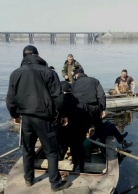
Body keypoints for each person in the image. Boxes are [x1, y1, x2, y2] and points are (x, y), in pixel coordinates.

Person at [6, 45, 71, 192]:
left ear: (23, 57)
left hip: (26, 118)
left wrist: (15, 115)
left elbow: (10, 98)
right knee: (51, 151)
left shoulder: (15, 73)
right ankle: (55, 183)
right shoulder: (48, 72)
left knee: (28, 150)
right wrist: (63, 115)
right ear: (38, 55)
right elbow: (58, 97)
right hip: (45, 118)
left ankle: (29, 179)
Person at [59, 81, 92, 172]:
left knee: (58, 152)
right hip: (78, 133)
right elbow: (89, 119)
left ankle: (55, 168)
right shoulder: (82, 101)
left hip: (63, 133)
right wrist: (84, 130)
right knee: (78, 153)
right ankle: (78, 170)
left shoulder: (59, 103)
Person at [71, 67, 106, 145]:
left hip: (80, 109)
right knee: (99, 127)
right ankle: (103, 146)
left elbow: (71, 98)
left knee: (81, 129)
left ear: (76, 75)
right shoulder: (94, 80)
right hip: (94, 108)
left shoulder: (73, 84)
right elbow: (101, 95)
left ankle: (82, 148)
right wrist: (103, 108)